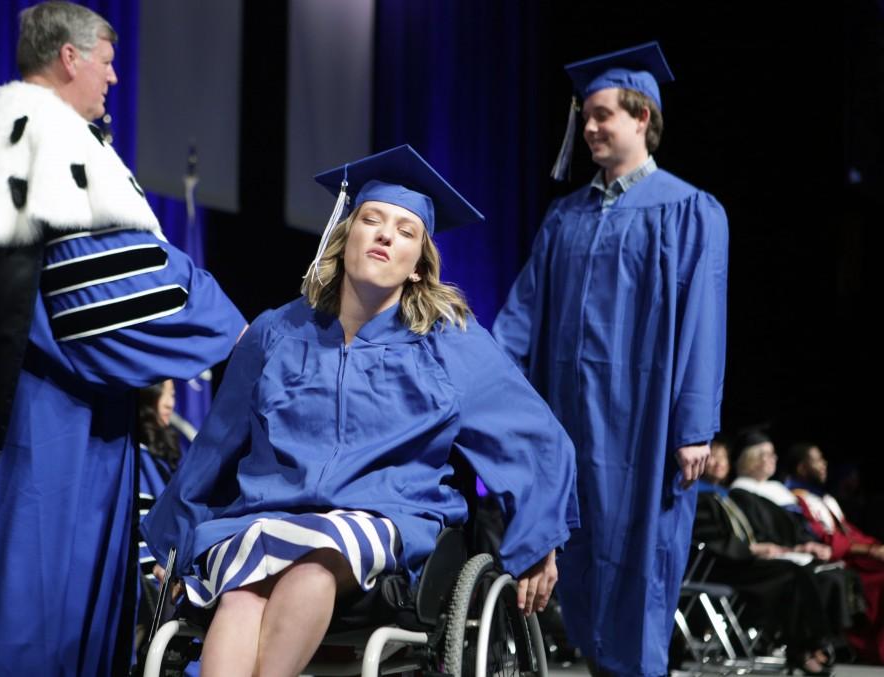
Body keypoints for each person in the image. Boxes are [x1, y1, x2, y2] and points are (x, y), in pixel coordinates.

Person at [0, 3, 246, 675]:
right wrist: (231, 324)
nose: (114, 79)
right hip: (48, 429)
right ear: (69, 58)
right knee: (33, 615)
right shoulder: (48, 144)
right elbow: (99, 292)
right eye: (108, 63)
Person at [143, 145, 579, 677]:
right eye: (371, 219)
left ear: (419, 267)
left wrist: (539, 539)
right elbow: (215, 445)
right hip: (267, 511)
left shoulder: (449, 345)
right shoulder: (277, 333)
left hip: (382, 515)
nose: (385, 233)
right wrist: (175, 535)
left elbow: (532, 437)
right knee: (240, 594)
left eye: (405, 230)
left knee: (316, 567)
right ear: (345, 236)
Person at [492, 42, 729, 676]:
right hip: (569, 422)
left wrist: (695, 426)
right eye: (588, 116)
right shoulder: (564, 217)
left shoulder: (689, 210)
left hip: (645, 427)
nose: (591, 127)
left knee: (641, 566)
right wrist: (482, 383)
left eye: (603, 115)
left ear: (642, 117)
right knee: (582, 567)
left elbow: (705, 322)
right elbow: (522, 314)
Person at [695, 440, 836, 673]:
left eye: (724, 457)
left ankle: (807, 647)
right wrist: (752, 550)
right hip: (717, 566)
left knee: (796, 572)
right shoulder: (696, 496)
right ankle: (806, 648)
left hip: (739, 562)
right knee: (789, 575)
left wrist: (771, 548)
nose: (720, 463)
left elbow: (748, 534)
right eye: (713, 457)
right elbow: (709, 540)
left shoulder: (725, 496)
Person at [787, 443, 884, 664]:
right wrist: (870, 550)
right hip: (836, 561)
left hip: (854, 558)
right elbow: (822, 538)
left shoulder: (825, 499)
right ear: (802, 468)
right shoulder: (798, 499)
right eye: (817, 460)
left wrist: (875, 546)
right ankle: (872, 649)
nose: (824, 465)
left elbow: (850, 532)